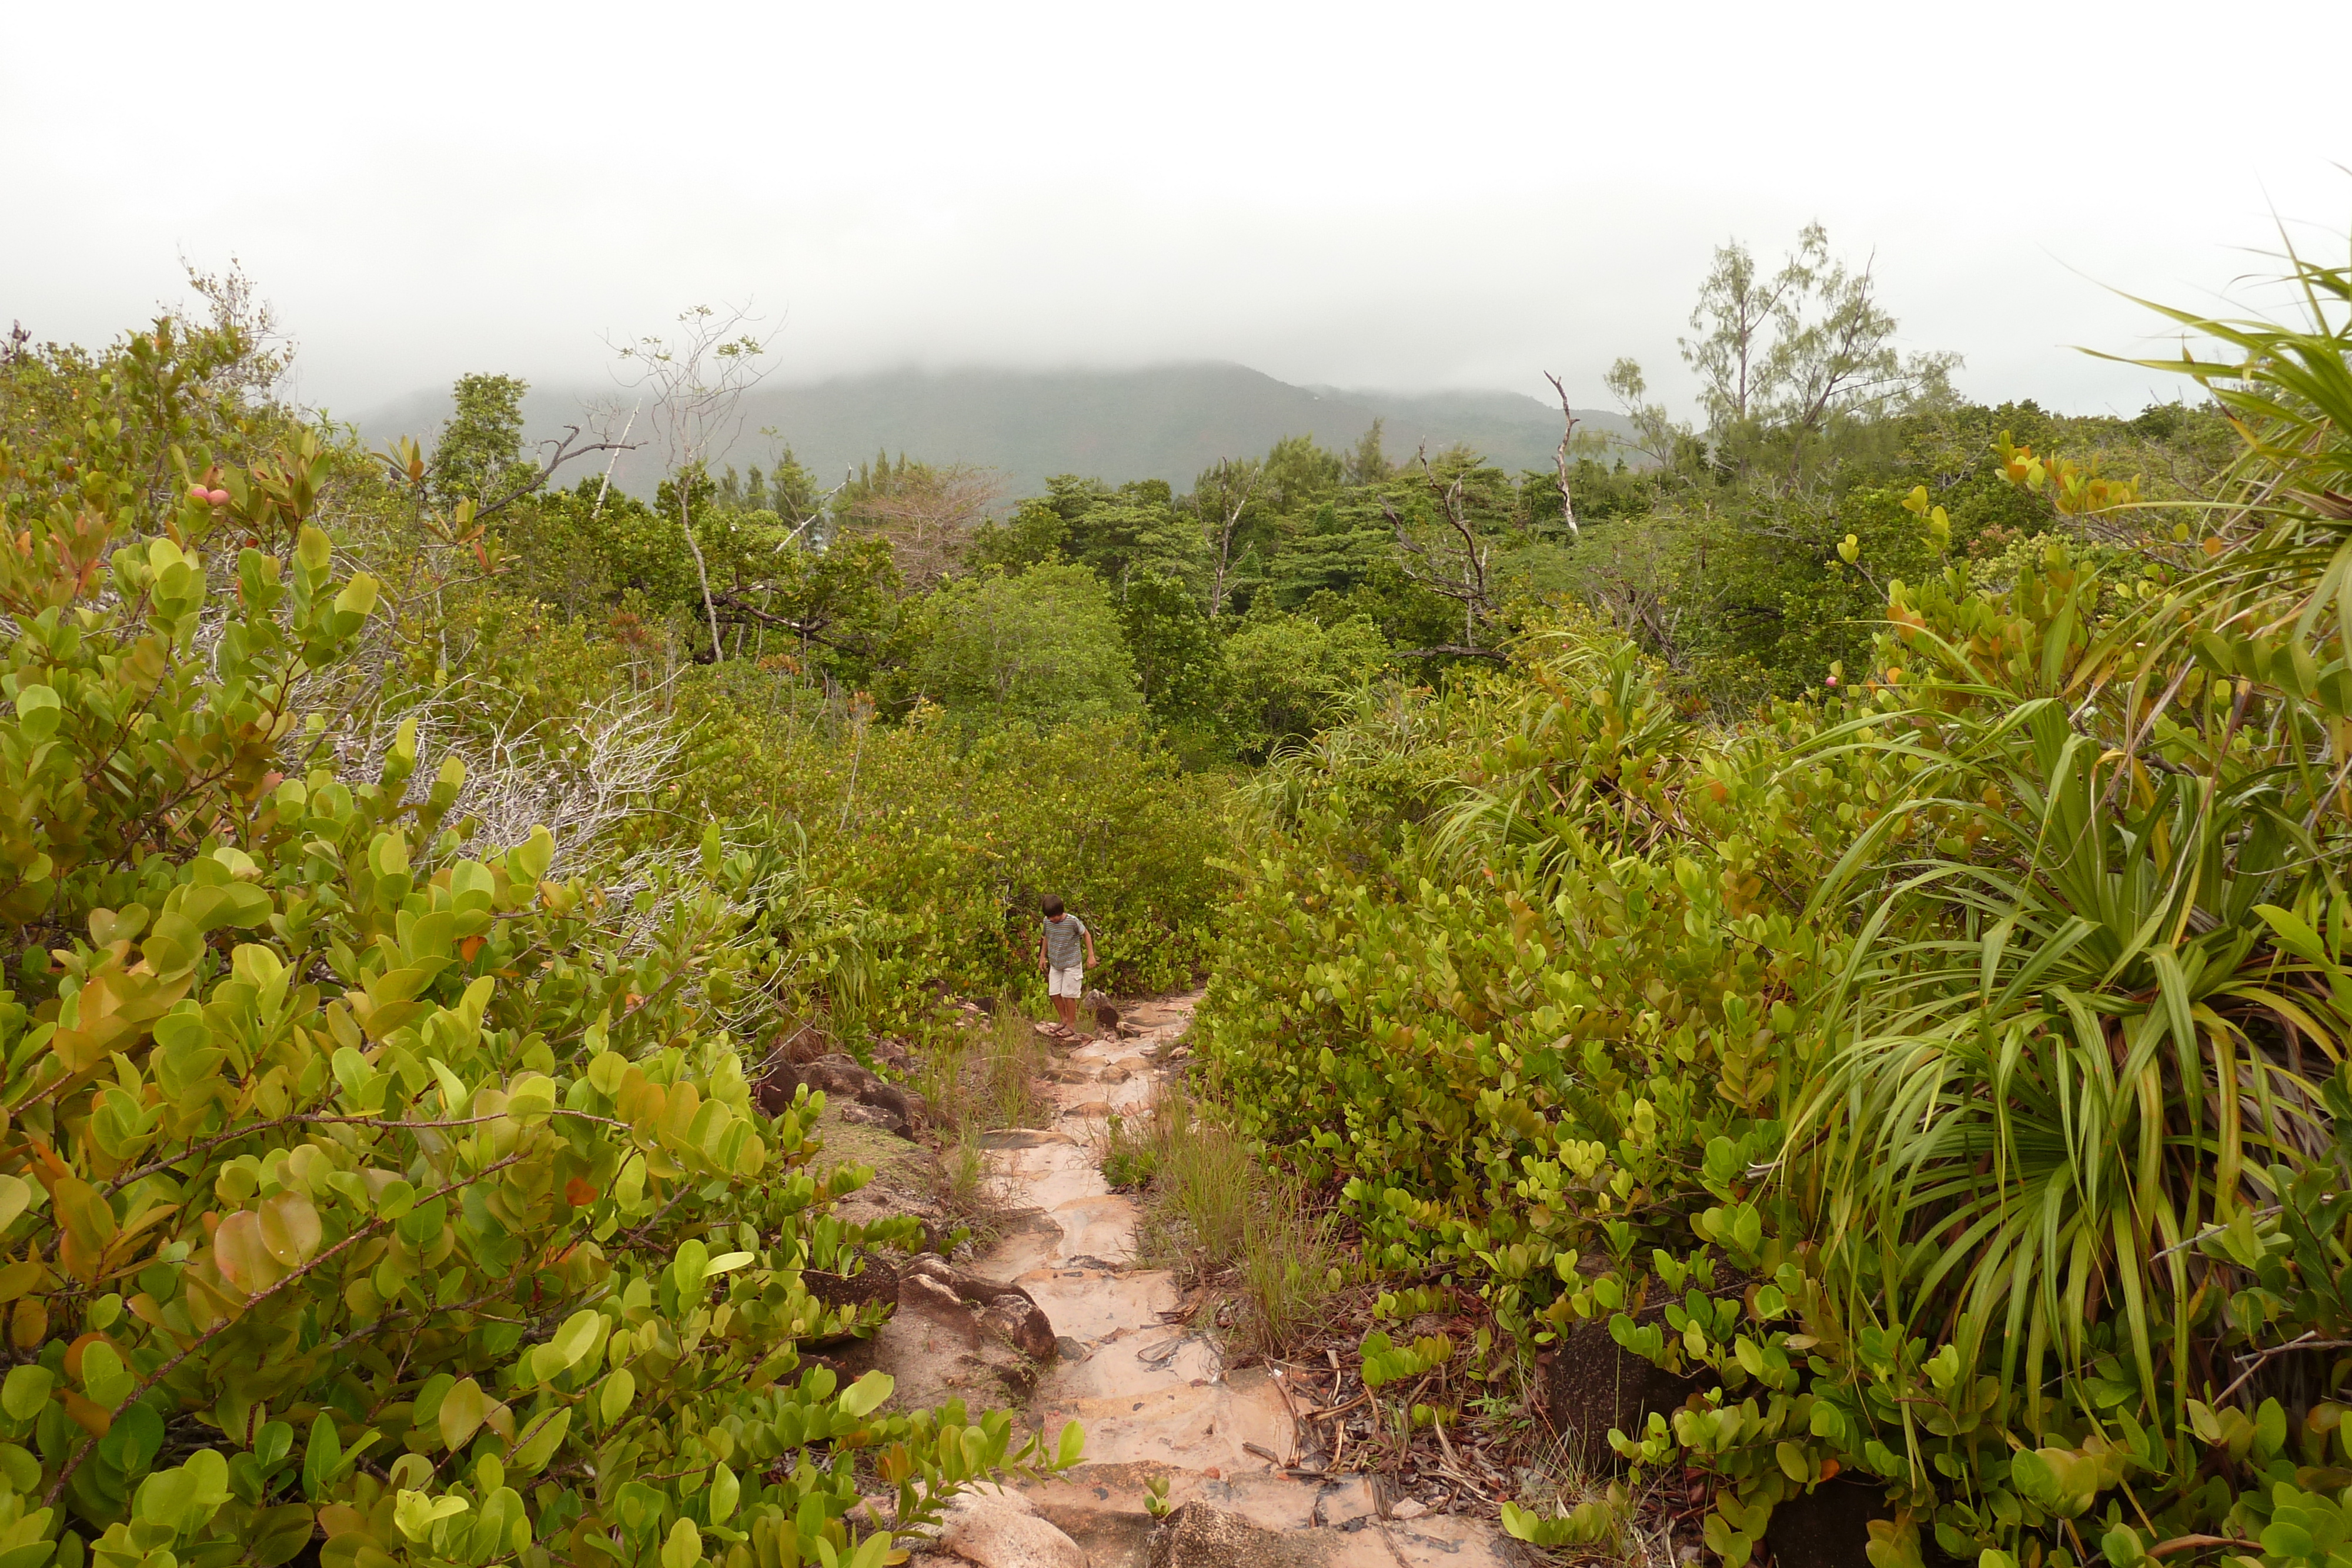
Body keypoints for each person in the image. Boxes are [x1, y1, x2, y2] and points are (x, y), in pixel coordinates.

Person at [1038, 895, 1096, 1033]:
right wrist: (1042, 956)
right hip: (1056, 963)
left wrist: (1091, 956)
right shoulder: (1047, 922)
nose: (1052, 919)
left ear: (1060, 912)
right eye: (1050, 917)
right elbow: (1046, 937)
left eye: (1055, 917)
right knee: (1054, 993)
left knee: (1069, 995)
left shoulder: (1072, 921)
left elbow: (1086, 934)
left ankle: (1071, 1025)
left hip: (1072, 963)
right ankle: (1063, 1019)